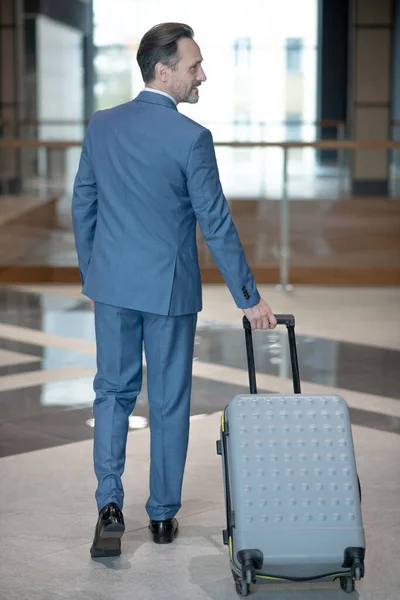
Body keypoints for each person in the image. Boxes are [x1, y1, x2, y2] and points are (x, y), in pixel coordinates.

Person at [71, 22, 277, 558]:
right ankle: (161, 516)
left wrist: (92, 274)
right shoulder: (191, 138)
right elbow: (216, 223)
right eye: (194, 66)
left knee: (112, 393)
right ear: (163, 71)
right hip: (169, 291)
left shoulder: (102, 126)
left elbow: (83, 204)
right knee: (167, 401)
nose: (201, 75)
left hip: (112, 285)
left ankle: (109, 505)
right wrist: (249, 297)